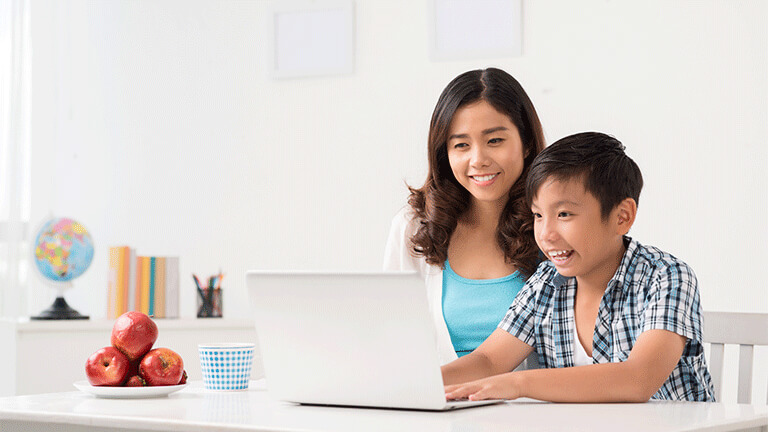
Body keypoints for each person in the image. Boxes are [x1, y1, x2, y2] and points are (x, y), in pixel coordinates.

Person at [441, 132, 715, 402]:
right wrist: (414, 385)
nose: (546, 234)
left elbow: (637, 379)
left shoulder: (666, 277)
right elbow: (489, 360)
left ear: (622, 217)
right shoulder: (545, 283)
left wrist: (518, 383)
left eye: (564, 214)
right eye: (538, 215)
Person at [383, 68, 545, 364]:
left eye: (495, 140)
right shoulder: (414, 227)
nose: (478, 159)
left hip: (529, 406)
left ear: (527, 144)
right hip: (440, 403)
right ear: (445, 153)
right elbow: (391, 339)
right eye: (461, 145)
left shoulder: (552, 225)